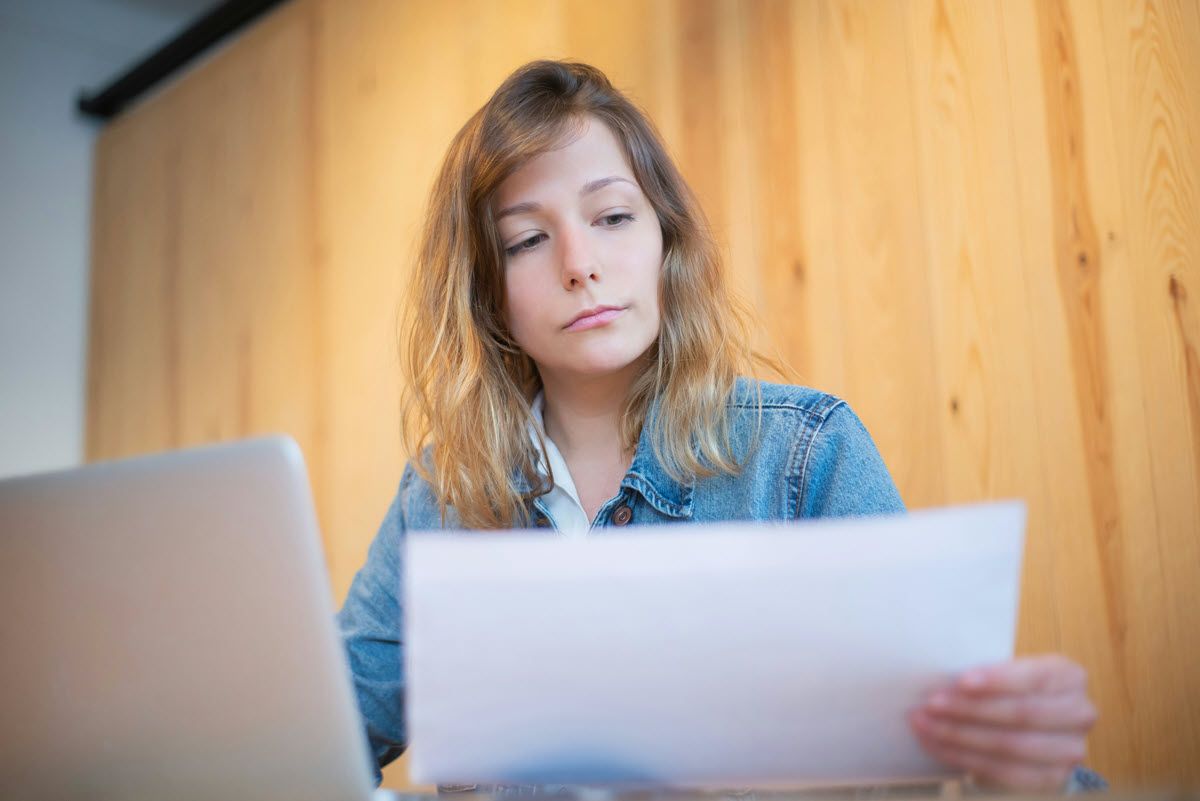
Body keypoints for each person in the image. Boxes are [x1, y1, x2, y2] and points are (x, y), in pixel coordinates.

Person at [337, 59, 1101, 795]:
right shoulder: (439, 497)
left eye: (611, 217)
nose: (579, 263)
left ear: (665, 241)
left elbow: (937, 763)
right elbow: (321, 735)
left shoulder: (805, 452)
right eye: (526, 240)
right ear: (486, 291)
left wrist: (1019, 772)